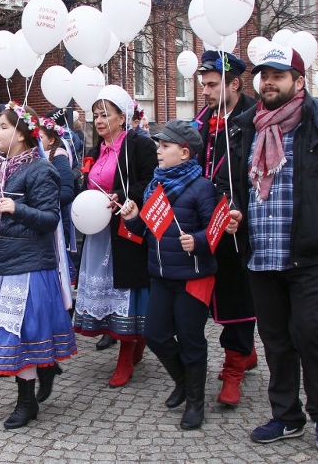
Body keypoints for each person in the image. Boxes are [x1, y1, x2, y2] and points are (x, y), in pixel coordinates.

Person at [221, 45, 318, 454]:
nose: (269, 82)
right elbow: (232, 185)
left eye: (279, 75)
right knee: (275, 339)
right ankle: (286, 416)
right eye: (265, 75)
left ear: (299, 81)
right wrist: (234, 211)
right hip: (261, 253)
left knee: (311, 333)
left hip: (310, 252)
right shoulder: (245, 126)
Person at [0, 102, 77, 429]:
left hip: (28, 267)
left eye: (2, 126)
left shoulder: (41, 169)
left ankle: (27, 403)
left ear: (20, 133)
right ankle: (45, 369)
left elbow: (50, 219)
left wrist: (18, 209)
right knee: (11, 332)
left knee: (21, 334)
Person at [120, 119, 217, 430]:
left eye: (165, 146)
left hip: (193, 277)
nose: (158, 151)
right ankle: (183, 381)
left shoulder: (202, 187)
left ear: (185, 153)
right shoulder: (155, 186)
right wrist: (134, 219)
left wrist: (198, 240)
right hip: (160, 275)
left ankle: (196, 403)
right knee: (155, 335)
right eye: (158, 146)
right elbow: (148, 231)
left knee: (191, 340)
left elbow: (214, 232)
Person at [72, 84, 158, 387]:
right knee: (108, 292)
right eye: (95, 115)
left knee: (126, 291)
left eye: (105, 114)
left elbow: (151, 181)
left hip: (126, 230)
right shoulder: (96, 150)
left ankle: (126, 356)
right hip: (99, 233)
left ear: (122, 117)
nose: (98, 121)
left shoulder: (138, 144)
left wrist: (121, 195)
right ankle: (134, 342)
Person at [195, 49, 259, 407]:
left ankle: (235, 367)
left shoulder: (255, 120)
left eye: (211, 85)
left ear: (234, 84)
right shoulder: (201, 120)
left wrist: (240, 209)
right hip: (204, 223)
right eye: (203, 85)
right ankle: (244, 352)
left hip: (240, 225)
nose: (204, 91)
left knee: (237, 296)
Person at [39, 116, 77, 258]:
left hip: (56, 222)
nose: (36, 141)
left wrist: (39, 200)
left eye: (40, 137)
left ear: (51, 140)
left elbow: (67, 192)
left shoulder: (59, 158)